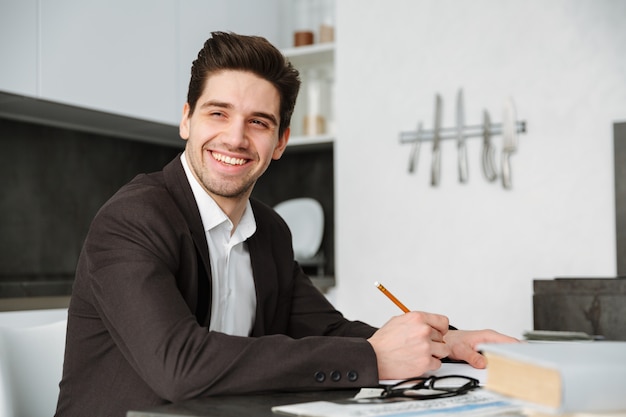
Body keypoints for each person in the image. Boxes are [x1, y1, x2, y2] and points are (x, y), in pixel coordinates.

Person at [54, 31, 517, 417]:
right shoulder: (133, 218)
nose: (235, 137)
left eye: (258, 121)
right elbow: (180, 366)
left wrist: (443, 341)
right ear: (186, 120)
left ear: (280, 142)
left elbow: (328, 333)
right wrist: (372, 358)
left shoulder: (270, 232)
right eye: (218, 113)